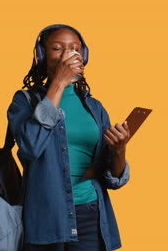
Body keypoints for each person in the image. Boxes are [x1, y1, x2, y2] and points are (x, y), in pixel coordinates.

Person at [7, 24, 131, 251]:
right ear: (43, 56)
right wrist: (59, 83)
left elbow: (110, 177)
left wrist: (119, 151)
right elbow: (30, 148)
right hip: (45, 216)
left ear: (83, 56)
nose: (68, 54)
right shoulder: (24, 101)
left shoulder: (94, 107)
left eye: (75, 48)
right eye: (57, 48)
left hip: (90, 214)